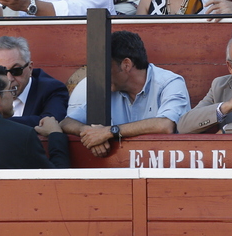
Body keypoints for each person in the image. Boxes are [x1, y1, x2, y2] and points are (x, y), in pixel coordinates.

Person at [61, 29, 190, 157]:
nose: (101, 74)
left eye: (105, 67)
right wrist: (89, 133)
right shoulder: (110, 88)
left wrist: (109, 132)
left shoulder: (170, 82)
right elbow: (66, 122)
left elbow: (165, 125)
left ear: (126, 65)